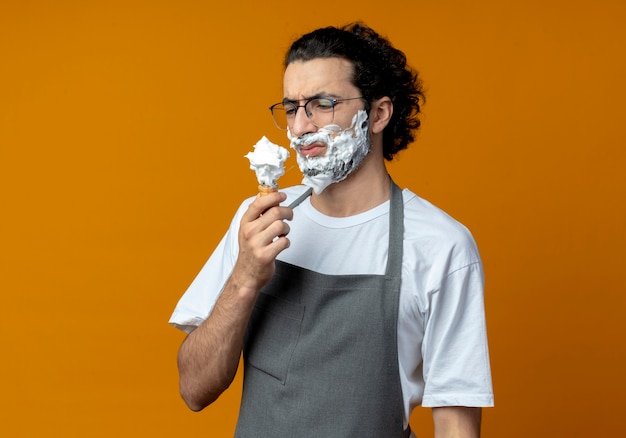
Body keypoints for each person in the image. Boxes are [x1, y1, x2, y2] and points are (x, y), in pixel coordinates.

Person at [169, 22, 493, 438]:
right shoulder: (258, 222)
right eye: (291, 108)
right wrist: (246, 277)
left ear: (378, 114)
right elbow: (194, 389)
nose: (301, 126)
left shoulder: (441, 246)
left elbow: (456, 424)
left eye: (323, 103)